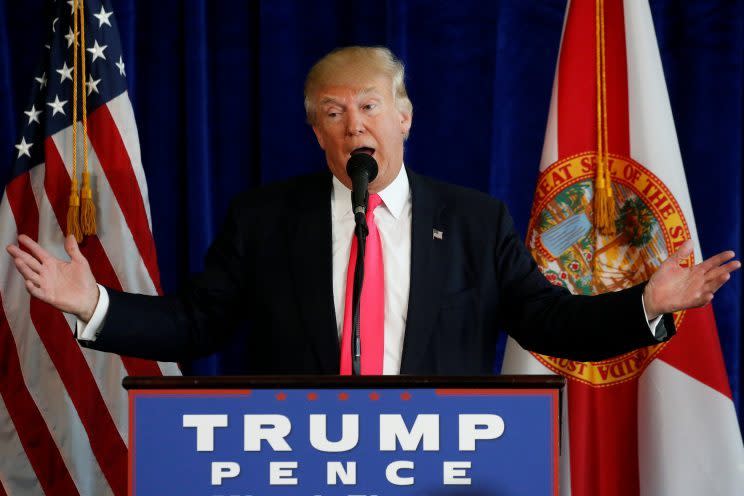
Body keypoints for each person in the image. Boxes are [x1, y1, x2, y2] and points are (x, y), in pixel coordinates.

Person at [6, 46, 740, 375]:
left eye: (368, 106)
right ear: (316, 132)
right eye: (333, 112)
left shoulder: (478, 223)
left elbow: (547, 322)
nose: (353, 124)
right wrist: (95, 304)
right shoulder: (264, 220)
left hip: (438, 466)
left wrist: (644, 303)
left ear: (404, 117)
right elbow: (200, 324)